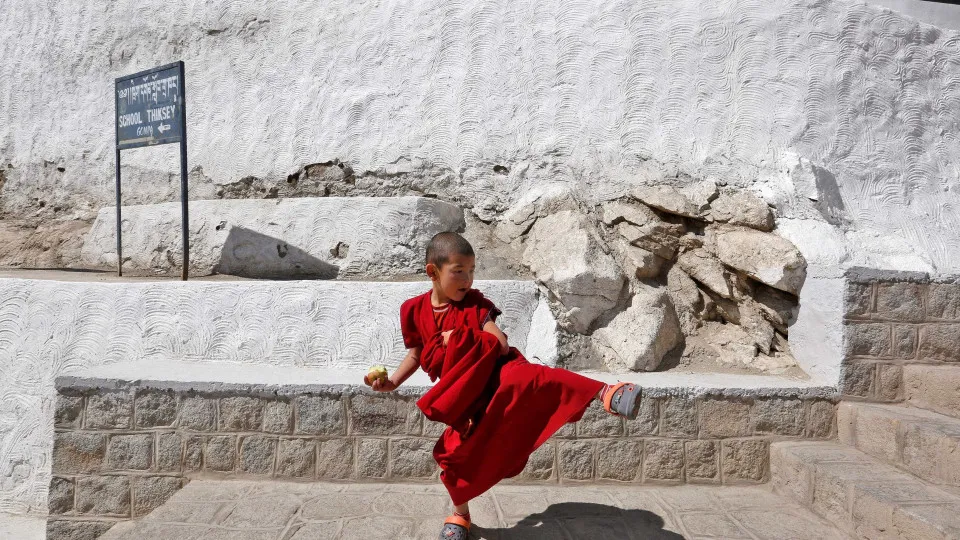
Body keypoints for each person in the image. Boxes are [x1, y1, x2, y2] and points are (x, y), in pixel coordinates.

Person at [365, 231, 642, 540]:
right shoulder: (413, 311)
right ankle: (460, 516)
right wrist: (391, 382)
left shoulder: (475, 305)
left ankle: (606, 393)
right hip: (465, 396)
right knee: (452, 458)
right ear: (433, 271)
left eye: (471, 271)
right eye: (459, 271)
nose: (468, 279)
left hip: (497, 372)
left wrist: (458, 338)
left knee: (532, 377)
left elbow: (499, 344)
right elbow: (416, 355)